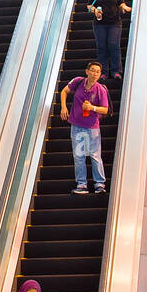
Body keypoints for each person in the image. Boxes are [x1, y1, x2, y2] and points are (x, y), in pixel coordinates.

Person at [60, 62, 109, 196]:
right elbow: (64, 91)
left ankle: (99, 184)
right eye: (92, 70)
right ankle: (82, 185)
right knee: (79, 156)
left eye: (98, 72)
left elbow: (105, 109)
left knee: (95, 155)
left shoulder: (100, 89)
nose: (95, 74)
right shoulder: (78, 81)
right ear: (87, 71)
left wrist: (92, 108)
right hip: (76, 125)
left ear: (100, 74)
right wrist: (64, 107)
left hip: (92, 127)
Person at [85, 0, 130, 82]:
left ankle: (116, 71)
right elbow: (89, 5)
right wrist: (94, 10)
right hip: (99, 24)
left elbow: (121, 3)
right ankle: (103, 72)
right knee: (102, 47)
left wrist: (125, 7)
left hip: (114, 22)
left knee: (114, 46)